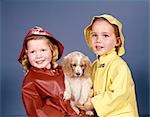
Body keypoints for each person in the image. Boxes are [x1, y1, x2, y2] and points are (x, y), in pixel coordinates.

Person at [18, 26, 91, 117]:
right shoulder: (31, 82)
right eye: (32, 52)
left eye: (43, 50)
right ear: (26, 54)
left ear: (52, 51)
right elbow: (37, 112)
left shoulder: (62, 70)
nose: (38, 56)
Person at [77, 14, 139, 117]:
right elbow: (89, 85)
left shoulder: (119, 66)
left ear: (117, 41)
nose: (98, 40)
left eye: (105, 35)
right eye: (94, 35)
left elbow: (118, 94)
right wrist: (83, 98)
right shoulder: (95, 65)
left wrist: (92, 103)